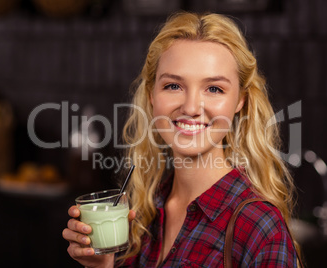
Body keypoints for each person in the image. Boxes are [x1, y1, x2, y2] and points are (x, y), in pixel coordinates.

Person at [62, 12, 303, 267]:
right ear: (152, 94)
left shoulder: (260, 228)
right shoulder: (145, 214)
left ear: (240, 101)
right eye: (173, 86)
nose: (190, 107)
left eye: (214, 89)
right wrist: (102, 266)